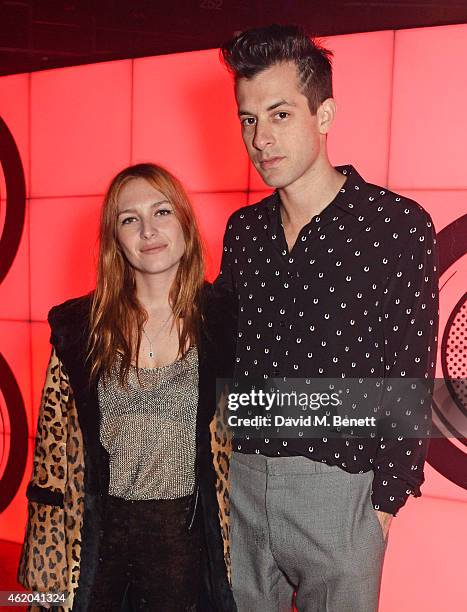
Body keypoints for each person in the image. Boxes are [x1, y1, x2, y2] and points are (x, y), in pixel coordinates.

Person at [215, 24, 439, 611]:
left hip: (341, 491)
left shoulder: (395, 226)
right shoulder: (244, 232)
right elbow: (218, 346)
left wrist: (384, 503)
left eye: (280, 114)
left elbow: (409, 368)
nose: (261, 138)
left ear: (325, 113)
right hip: (242, 480)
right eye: (248, 119)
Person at [18, 163, 237, 612]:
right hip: (101, 551)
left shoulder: (226, 322)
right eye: (129, 219)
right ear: (115, 238)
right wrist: (45, 588)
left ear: (185, 224)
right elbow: (50, 464)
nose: (148, 230)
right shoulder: (79, 330)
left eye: (162, 212)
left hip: (191, 552)